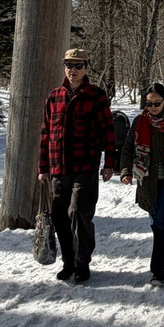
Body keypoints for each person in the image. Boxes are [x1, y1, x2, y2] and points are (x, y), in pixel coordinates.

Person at [38, 48, 117, 284]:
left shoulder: (96, 96)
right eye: (69, 65)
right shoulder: (54, 96)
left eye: (78, 65)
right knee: (61, 218)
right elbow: (45, 134)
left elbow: (108, 131)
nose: (73, 70)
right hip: (58, 169)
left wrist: (110, 163)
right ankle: (68, 263)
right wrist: (43, 168)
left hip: (85, 167)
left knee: (80, 214)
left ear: (86, 68)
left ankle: (83, 264)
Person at [116, 82, 164, 287]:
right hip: (147, 181)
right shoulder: (140, 122)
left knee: (160, 222)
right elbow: (127, 149)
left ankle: (157, 272)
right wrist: (125, 171)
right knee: (156, 222)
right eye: (149, 103)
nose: (152, 107)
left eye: (157, 103)